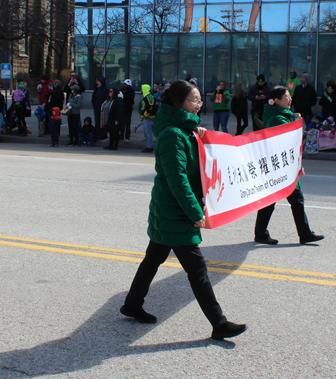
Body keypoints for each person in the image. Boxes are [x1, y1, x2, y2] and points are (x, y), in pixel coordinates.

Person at [120, 80, 246, 340]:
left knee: (153, 259)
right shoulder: (172, 136)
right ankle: (219, 323)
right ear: (179, 103)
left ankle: (132, 304)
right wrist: (195, 213)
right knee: (197, 270)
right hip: (174, 212)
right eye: (194, 100)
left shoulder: (183, 132)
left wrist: (198, 137)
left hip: (169, 211)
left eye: (200, 100)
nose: (199, 104)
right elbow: (178, 180)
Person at [254, 86, 324, 245]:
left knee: (281, 200)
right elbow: (289, 143)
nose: (290, 99)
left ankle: (262, 233)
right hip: (280, 168)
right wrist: (297, 121)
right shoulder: (277, 119)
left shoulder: (281, 116)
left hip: (282, 167)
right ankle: (302, 234)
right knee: (290, 200)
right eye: (286, 96)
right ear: (276, 100)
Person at [140, 84, 157, 153]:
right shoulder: (145, 97)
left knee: (148, 133)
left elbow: (150, 106)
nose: (141, 89)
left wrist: (146, 115)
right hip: (145, 118)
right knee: (146, 133)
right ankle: (149, 146)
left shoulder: (149, 97)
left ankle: (149, 147)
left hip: (149, 118)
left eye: (141, 88)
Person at [92, 76, 110, 142]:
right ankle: (97, 134)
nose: (97, 83)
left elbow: (106, 99)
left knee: (103, 122)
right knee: (97, 122)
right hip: (97, 108)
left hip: (102, 109)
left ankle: (103, 135)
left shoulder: (106, 89)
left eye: (99, 82)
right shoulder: (98, 89)